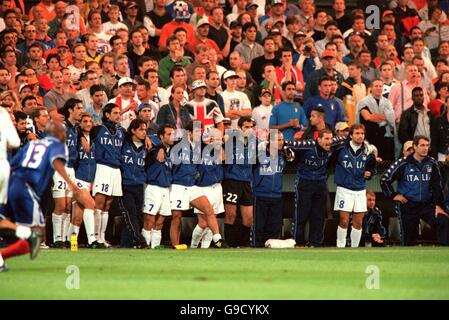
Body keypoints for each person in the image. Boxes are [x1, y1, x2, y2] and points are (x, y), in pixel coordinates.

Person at [0, 122, 80, 271]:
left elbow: (12, 165)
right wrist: (72, 184)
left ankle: (2, 257)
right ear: (59, 134)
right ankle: (20, 239)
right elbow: (56, 161)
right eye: (64, 133)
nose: (65, 136)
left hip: (12, 183)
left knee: (5, 222)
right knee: (37, 234)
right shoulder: (57, 144)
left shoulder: (32, 144)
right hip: (27, 187)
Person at [381, 135, 449, 246]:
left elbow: (437, 186)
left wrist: (438, 205)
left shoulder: (432, 163)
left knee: (443, 221)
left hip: (427, 204)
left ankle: (444, 250)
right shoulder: (403, 163)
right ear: (415, 147)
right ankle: (407, 260)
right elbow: (384, 180)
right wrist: (393, 195)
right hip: (408, 204)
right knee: (409, 239)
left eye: (427, 145)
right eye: (422, 145)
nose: (425, 148)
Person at [169, 121, 226, 248]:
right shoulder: (177, 145)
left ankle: (218, 239)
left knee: (209, 210)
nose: (198, 134)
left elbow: (220, 155)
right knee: (177, 216)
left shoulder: (199, 146)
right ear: (188, 133)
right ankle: (175, 245)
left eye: (200, 131)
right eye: (196, 131)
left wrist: (218, 141)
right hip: (178, 185)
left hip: (192, 186)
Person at [286, 129, 347, 247]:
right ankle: (296, 243)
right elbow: (287, 143)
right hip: (304, 182)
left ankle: (316, 243)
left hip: (320, 183)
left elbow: (347, 138)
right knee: (301, 215)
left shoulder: (334, 143)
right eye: (326, 139)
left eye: (331, 139)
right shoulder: (307, 146)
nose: (330, 142)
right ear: (318, 140)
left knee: (318, 215)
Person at [88, 103, 126, 247]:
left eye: (119, 113)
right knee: (99, 202)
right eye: (115, 113)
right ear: (107, 114)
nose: (118, 115)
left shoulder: (122, 131)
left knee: (108, 204)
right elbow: (83, 134)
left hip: (116, 169)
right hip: (102, 167)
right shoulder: (97, 130)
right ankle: (95, 237)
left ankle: (102, 237)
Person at [334, 124, 377, 248]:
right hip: (344, 188)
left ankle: (355, 248)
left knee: (358, 222)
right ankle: (340, 247)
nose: (360, 136)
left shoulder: (368, 150)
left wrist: (370, 173)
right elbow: (330, 162)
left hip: (360, 189)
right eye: (357, 133)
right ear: (351, 135)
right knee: (344, 220)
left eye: (362, 133)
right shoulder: (340, 149)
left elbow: (372, 168)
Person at [50, 98, 82, 248]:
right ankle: (57, 238)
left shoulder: (76, 128)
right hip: (60, 167)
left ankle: (64, 238)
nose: (81, 111)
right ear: (70, 110)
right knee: (60, 205)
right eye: (78, 108)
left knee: (69, 205)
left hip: (71, 168)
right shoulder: (61, 127)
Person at [252, 131, 291, 247]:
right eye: (278, 140)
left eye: (282, 140)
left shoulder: (283, 155)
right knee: (259, 225)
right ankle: (256, 247)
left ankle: (271, 249)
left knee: (274, 226)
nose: (281, 142)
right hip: (260, 194)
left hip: (277, 195)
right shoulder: (260, 154)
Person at [223, 116, 256, 247]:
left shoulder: (255, 142)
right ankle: (229, 244)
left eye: (251, 127)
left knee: (248, 218)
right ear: (240, 128)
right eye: (246, 127)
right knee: (231, 214)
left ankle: (242, 244)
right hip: (232, 180)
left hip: (247, 182)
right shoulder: (231, 140)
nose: (249, 130)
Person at [190, 128, 225, 249]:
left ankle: (205, 248)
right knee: (203, 222)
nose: (220, 141)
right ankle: (194, 245)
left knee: (211, 220)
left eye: (221, 139)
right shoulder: (199, 150)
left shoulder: (220, 151)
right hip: (202, 188)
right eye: (218, 139)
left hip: (216, 187)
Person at [142, 124, 174, 249]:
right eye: (169, 134)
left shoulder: (169, 153)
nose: (172, 137)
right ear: (161, 136)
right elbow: (148, 140)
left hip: (166, 188)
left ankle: (155, 246)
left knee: (160, 221)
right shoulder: (154, 150)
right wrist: (160, 146)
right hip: (153, 187)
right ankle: (145, 245)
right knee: (149, 219)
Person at [118, 119, 148, 248]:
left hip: (139, 184)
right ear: (133, 130)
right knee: (130, 213)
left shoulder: (146, 148)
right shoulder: (123, 144)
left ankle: (126, 244)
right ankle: (138, 240)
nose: (144, 132)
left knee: (137, 215)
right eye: (141, 129)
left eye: (145, 129)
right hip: (125, 184)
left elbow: (161, 140)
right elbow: (121, 132)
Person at [73, 112, 100, 248]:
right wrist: (80, 136)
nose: (88, 124)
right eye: (85, 121)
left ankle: (72, 242)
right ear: (79, 123)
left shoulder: (95, 138)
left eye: (90, 121)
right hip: (78, 177)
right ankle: (92, 240)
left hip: (90, 180)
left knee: (78, 216)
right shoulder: (76, 137)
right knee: (91, 205)